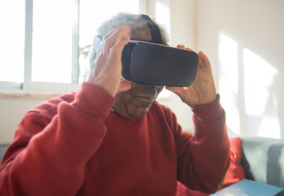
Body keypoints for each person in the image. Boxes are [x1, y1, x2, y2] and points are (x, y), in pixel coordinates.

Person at [0, 13, 230, 196]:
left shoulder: (163, 119)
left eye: (159, 70)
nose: (152, 86)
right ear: (101, 64)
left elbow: (208, 181)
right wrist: (91, 104)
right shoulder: (47, 118)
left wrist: (208, 110)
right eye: (140, 67)